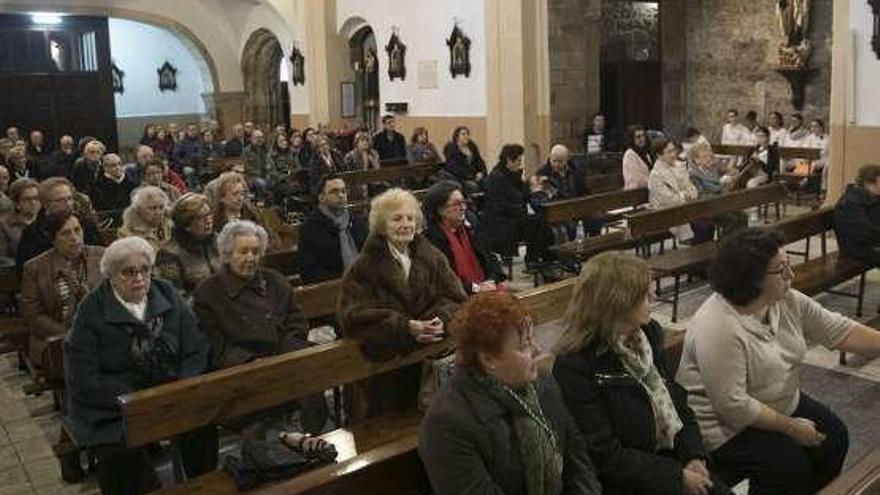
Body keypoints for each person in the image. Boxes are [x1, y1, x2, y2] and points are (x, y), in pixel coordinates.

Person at [677, 228, 880, 494]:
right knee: (786, 465)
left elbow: (838, 330)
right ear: (752, 278)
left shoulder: (784, 300)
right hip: (722, 425)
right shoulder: (719, 326)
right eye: (781, 269)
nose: (791, 275)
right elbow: (733, 405)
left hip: (777, 401)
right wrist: (792, 429)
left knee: (834, 438)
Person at [553, 251, 732, 495]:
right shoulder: (576, 364)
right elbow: (604, 454)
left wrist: (693, 455)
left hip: (669, 459)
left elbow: (676, 400)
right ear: (618, 302)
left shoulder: (647, 333)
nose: (654, 297)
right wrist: (676, 477)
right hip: (628, 480)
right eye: (644, 295)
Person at [64, 236, 216, 495]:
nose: (139, 278)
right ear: (111, 276)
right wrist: (134, 400)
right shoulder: (91, 310)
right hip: (115, 405)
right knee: (119, 455)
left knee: (203, 426)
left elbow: (196, 348)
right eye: (128, 272)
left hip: (172, 392)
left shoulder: (166, 292)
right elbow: (84, 377)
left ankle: (203, 488)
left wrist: (181, 387)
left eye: (145, 270)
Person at [419, 291, 602, 495]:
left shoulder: (543, 384)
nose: (537, 350)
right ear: (489, 360)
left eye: (532, 340)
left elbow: (578, 463)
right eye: (523, 346)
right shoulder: (448, 423)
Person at [338, 188, 467, 418]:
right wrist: (404, 326)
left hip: (430, 365)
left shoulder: (432, 256)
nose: (405, 224)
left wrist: (440, 320)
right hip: (385, 372)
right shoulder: (364, 266)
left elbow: (456, 298)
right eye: (397, 218)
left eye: (410, 218)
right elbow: (352, 316)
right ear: (381, 224)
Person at [193, 220, 328, 435]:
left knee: (310, 375)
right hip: (244, 370)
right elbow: (216, 344)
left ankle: (313, 440)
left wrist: (287, 354)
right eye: (243, 251)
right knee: (263, 402)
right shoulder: (208, 293)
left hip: (285, 357)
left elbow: (296, 321)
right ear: (227, 254)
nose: (250, 258)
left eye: (255, 252)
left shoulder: (275, 281)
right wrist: (253, 364)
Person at [21, 212, 103, 370]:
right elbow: (34, 315)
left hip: (101, 331)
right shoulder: (35, 268)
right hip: (57, 337)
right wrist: (71, 334)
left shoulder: (101, 255)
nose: (74, 237)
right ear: (52, 239)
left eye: (77, 230)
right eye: (66, 233)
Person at [482, 144, 559, 278]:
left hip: (515, 218)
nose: (520, 163)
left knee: (542, 220)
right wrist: (521, 209)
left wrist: (535, 187)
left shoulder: (513, 175)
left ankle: (547, 259)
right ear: (508, 161)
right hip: (502, 223)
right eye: (518, 161)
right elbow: (499, 206)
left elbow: (524, 195)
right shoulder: (496, 178)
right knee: (535, 221)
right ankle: (533, 260)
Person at [422, 181, 506, 294]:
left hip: (486, 287)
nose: (463, 208)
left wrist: (492, 280)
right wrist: (476, 288)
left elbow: (491, 258)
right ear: (440, 209)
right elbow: (442, 280)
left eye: (463, 202)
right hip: (456, 296)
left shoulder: (471, 228)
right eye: (457, 204)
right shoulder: (431, 239)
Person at [298, 175, 367, 284]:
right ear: (321, 197)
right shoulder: (310, 229)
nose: (340, 195)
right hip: (331, 289)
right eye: (334, 192)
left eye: (343, 191)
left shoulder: (357, 222)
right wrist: (343, 280)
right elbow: (308, 272)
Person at [17, 178, 99, 267]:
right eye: (60, 200)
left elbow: (97, 255)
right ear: (45, 204)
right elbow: (26, 268)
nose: (67, 204)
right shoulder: (33, 232)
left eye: (69, 198)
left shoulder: (86, 224)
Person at [155, 193, 220, 302]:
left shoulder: (218, 242)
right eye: (201, 217)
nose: (208, 220)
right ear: (186, 224)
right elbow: (177, 298)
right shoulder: (169, 254)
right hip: (197, 309)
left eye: (209, 215)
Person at [687, 142, 748, 241]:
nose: (709, 159)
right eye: (705, 157)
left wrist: (731, 179)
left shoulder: (712, 168)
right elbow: (700, 196)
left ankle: (739, 244)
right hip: (705, 207)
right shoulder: (692, 175)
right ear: (696, 159)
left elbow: (727, 176)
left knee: (743, 216)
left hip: (720, 203)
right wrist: (721, 185)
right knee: (732, 220)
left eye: (710, 156)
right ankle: (725, 246)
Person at [648, 139, 700, 242]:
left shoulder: (679, 166)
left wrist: (689, 194)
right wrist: (685, 195)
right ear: (659, 155)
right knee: (701, 226)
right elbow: (668, 200)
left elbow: (692, 189)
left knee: (708, 222)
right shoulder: (656, 175)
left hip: (685, 208)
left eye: (674, 150)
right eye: (669, 152)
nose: (673, 154)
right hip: (667, 214)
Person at [834, 163, 880, 266]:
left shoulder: (871, 198)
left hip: (869, 245)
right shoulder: (851, 202)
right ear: (868, 183)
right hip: (856, 249)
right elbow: (866, 231)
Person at [117, 186, 173, 252]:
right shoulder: (127, 234)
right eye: (153, 208)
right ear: (139, 210)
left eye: (161, 207)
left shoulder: (172, 226)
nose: (158, 212)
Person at [0, 178, 40, 266]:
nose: (33, 202)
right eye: (27, 199)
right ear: (17, 203)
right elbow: (2, 259)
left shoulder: (46, 222)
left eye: (36, 198)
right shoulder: (4, 226)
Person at [443, 126, 487, 193]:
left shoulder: (472, 146)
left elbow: (479, 161)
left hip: (475, 175)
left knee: (489, 183)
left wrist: (481, 172)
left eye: (467, 134)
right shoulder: (452, 148)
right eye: (463, 134)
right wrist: (472, 177)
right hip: (460, 178)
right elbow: (453, 168)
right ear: (457, 136)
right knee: (474, 187)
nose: (466, 136)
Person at [622, 125, 654, 190]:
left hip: (647, 189)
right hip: (634, 193)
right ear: (632, 139)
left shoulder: (645, 153)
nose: (642, 139)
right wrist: (656, 183)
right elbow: (638, 180)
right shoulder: (630, 154)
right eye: (638, 137)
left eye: (643, 136)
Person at [243, 129, 270, 195]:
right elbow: (247, 168)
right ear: (252, 138)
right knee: (262, 183)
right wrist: (261, 173)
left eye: (261, 137)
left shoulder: (265, 150)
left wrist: (268, 173)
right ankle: (263, 200)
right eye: (257, 137)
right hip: (252, 177)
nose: (259, 139)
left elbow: (269, 164)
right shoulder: (246, 151)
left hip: (265, 175)